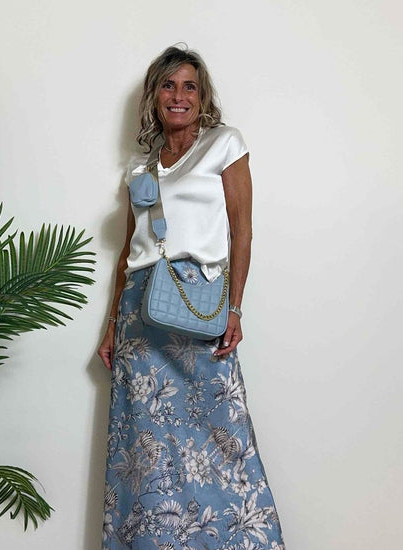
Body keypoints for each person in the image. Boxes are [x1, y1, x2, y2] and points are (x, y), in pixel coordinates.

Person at [98, 45, 286, 550]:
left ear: (202, 97)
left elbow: (242, 233)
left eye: (189, 87)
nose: (178, 96)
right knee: (146, 450)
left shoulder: (224, 143)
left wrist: (236, 308)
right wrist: (111, 325)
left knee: (223, 437)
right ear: (154, 95)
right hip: (140, 314)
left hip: (197, 303)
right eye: (168, 85)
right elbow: (128, 251)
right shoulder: (140, 167)